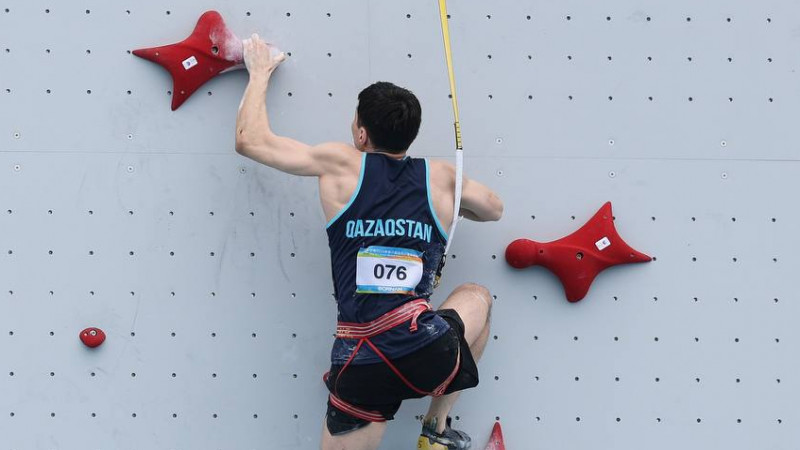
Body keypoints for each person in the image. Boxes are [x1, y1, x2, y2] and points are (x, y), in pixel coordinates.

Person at [236, 34, 504, 450]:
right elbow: (493, 209)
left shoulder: (341, 164)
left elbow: (250, 141)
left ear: (362, 134)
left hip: (362, 360)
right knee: (477, 296)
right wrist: (452, 206)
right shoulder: (441, 179)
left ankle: (435, 432)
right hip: (425, 347)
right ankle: (436, 429)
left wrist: (258, 73)